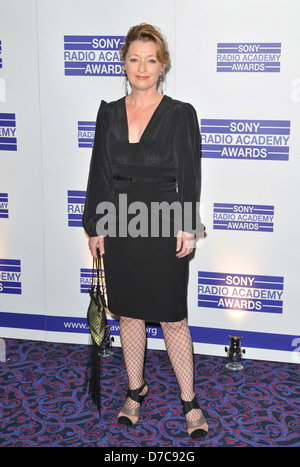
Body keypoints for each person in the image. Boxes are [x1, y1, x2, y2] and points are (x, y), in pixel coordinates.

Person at [83, 23, 208, 440]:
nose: (142, 67)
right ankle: (135, 391)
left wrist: (189, 227)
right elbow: (100, 171)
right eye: (134, 58)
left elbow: (190, 175)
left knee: (173, 318)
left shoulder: (179, 114)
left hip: (163, 222)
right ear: (124, 63)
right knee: (129, 312)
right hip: (119, 223)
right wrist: (95, 226)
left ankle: (189, 402)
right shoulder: (109, 113)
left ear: (162, 65)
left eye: (150, 59)